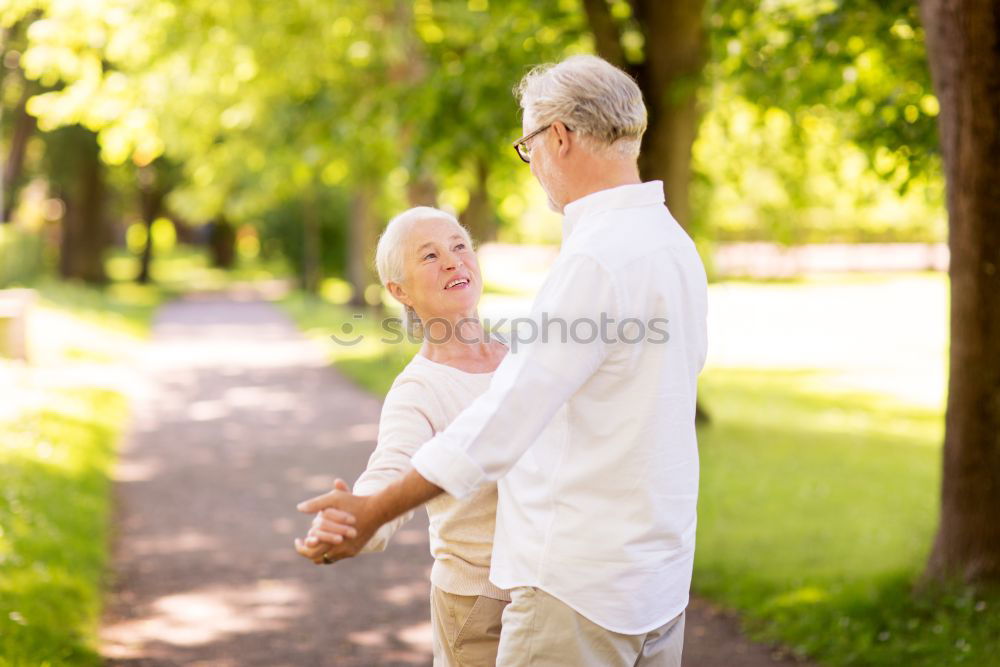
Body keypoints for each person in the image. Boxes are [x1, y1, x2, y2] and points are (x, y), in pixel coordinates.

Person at [296, 54, 708, 666]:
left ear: (559, 138)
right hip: (655, 581)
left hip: (580, 590)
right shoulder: (673, 245)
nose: (534, 165)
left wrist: (370, 514)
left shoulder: (594, 260)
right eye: (429, 256)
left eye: (529, 145)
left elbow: (501, 422)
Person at [295, 206, 563, 665]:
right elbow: (391, 468)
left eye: (460, 246)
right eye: (430, 256)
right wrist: (359, 518)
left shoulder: (525, 355)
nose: (453, 261)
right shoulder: (419, 389)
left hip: (556, 590)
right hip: (482, 604)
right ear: (399, 290)